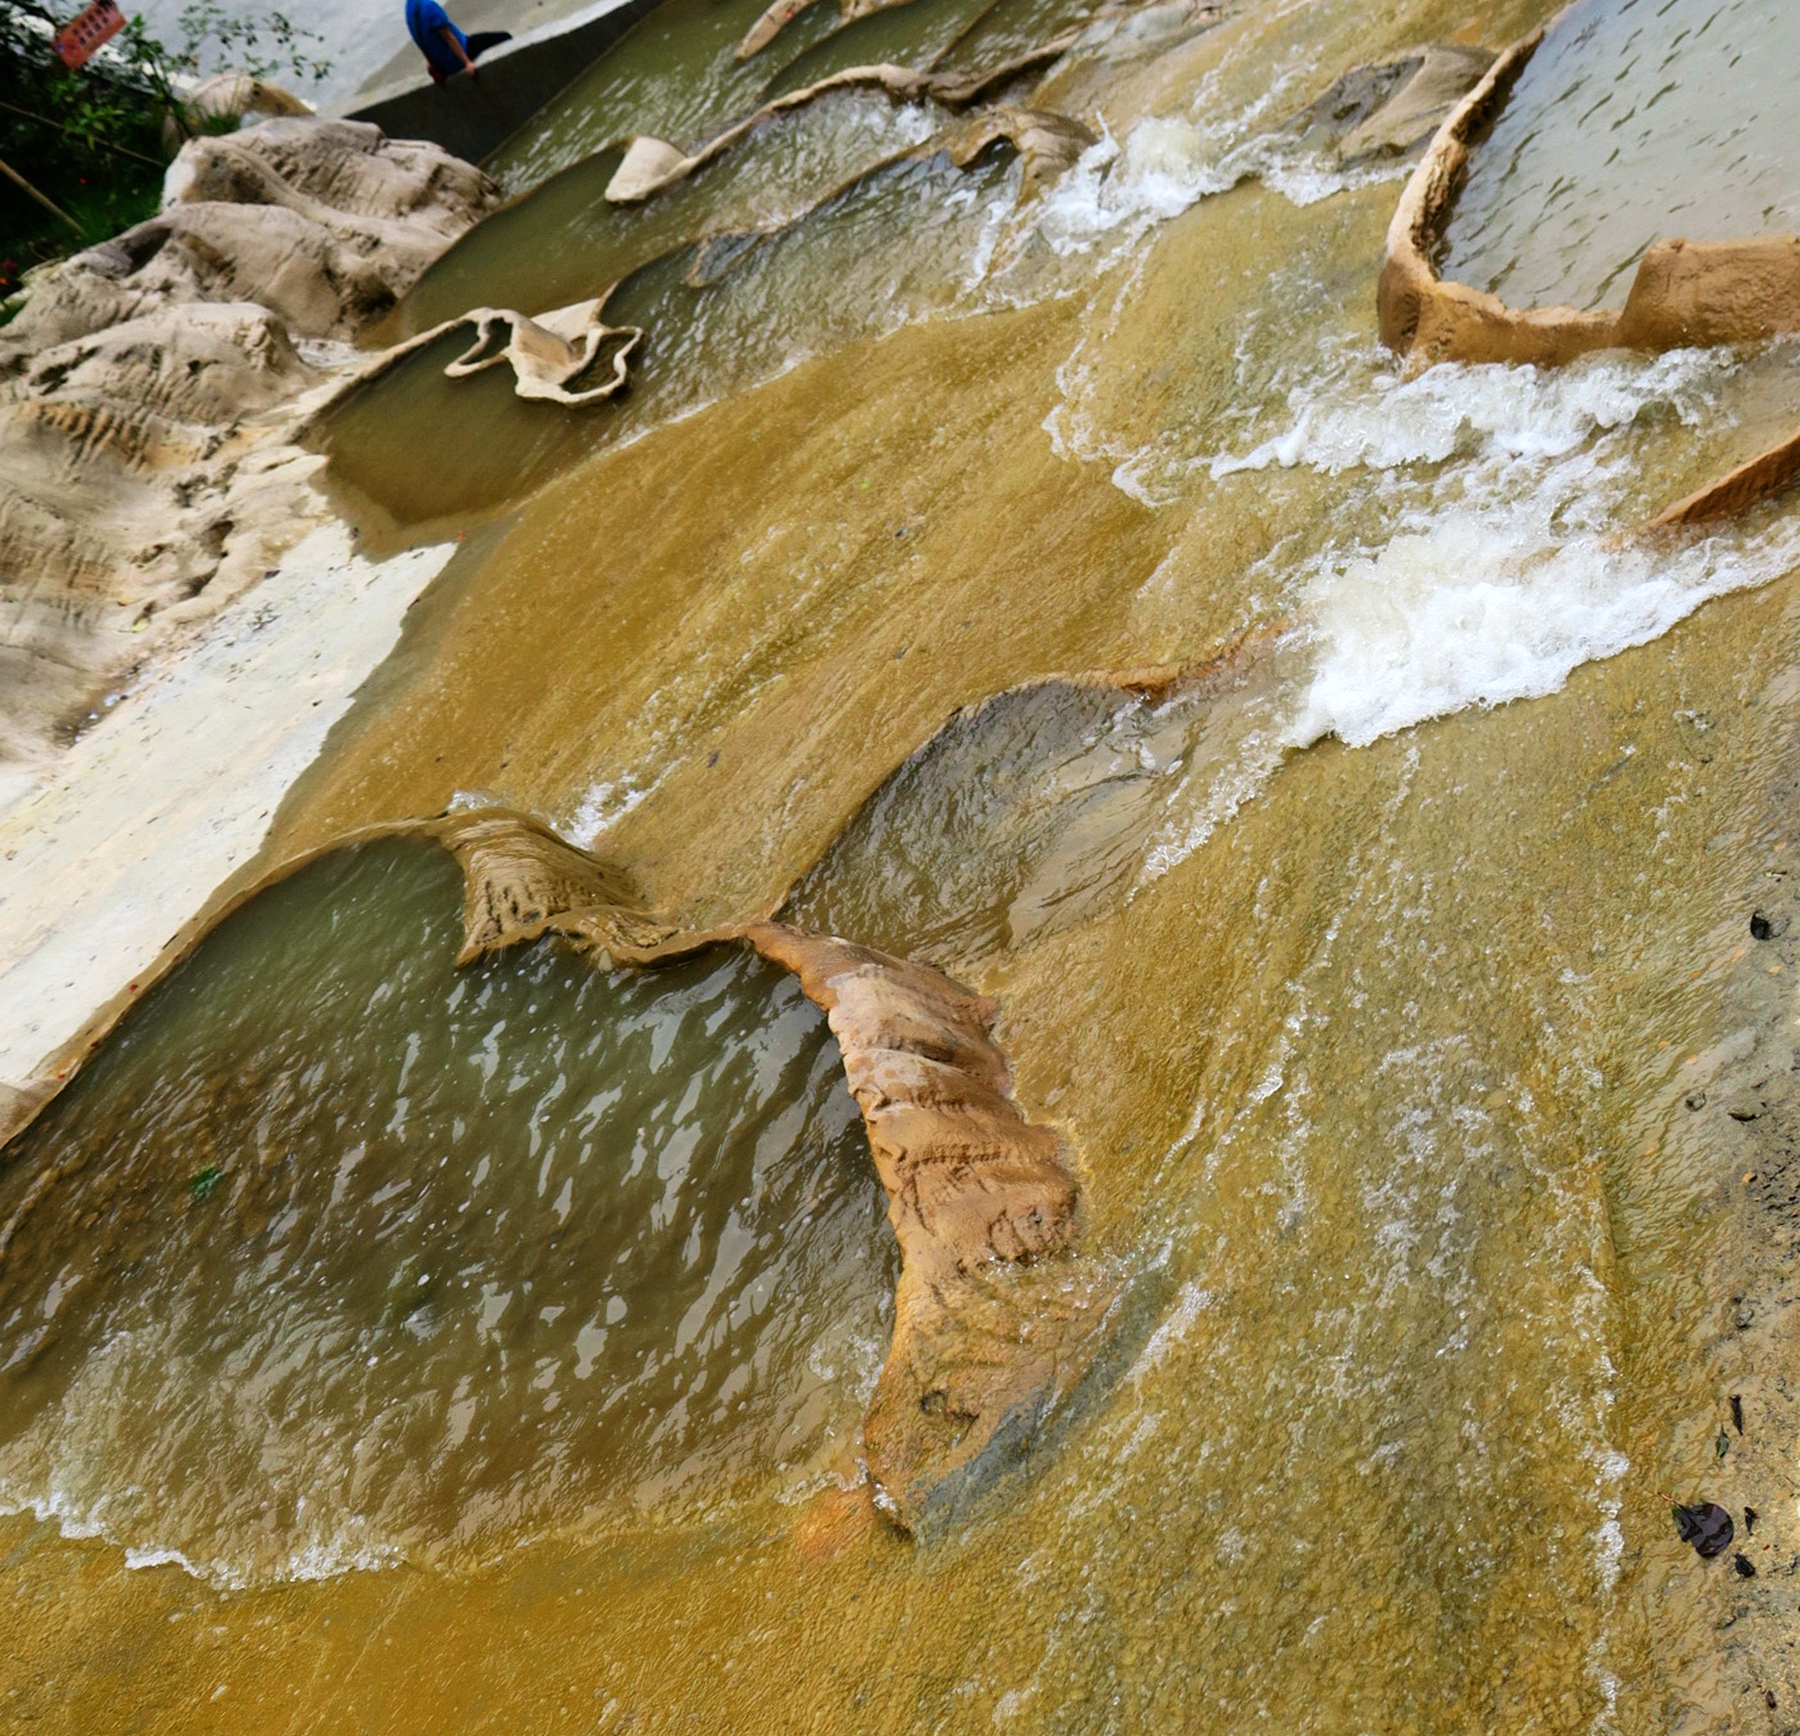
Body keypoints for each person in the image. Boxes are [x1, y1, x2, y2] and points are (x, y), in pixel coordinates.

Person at [404, 0, 509, 84]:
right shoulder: (429, 6)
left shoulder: (409, 7)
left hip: (442, 65)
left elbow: (420, 41)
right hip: (459, 55)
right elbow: (448, 37)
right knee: (504, 37)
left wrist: (432, 64)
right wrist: (467, 62)